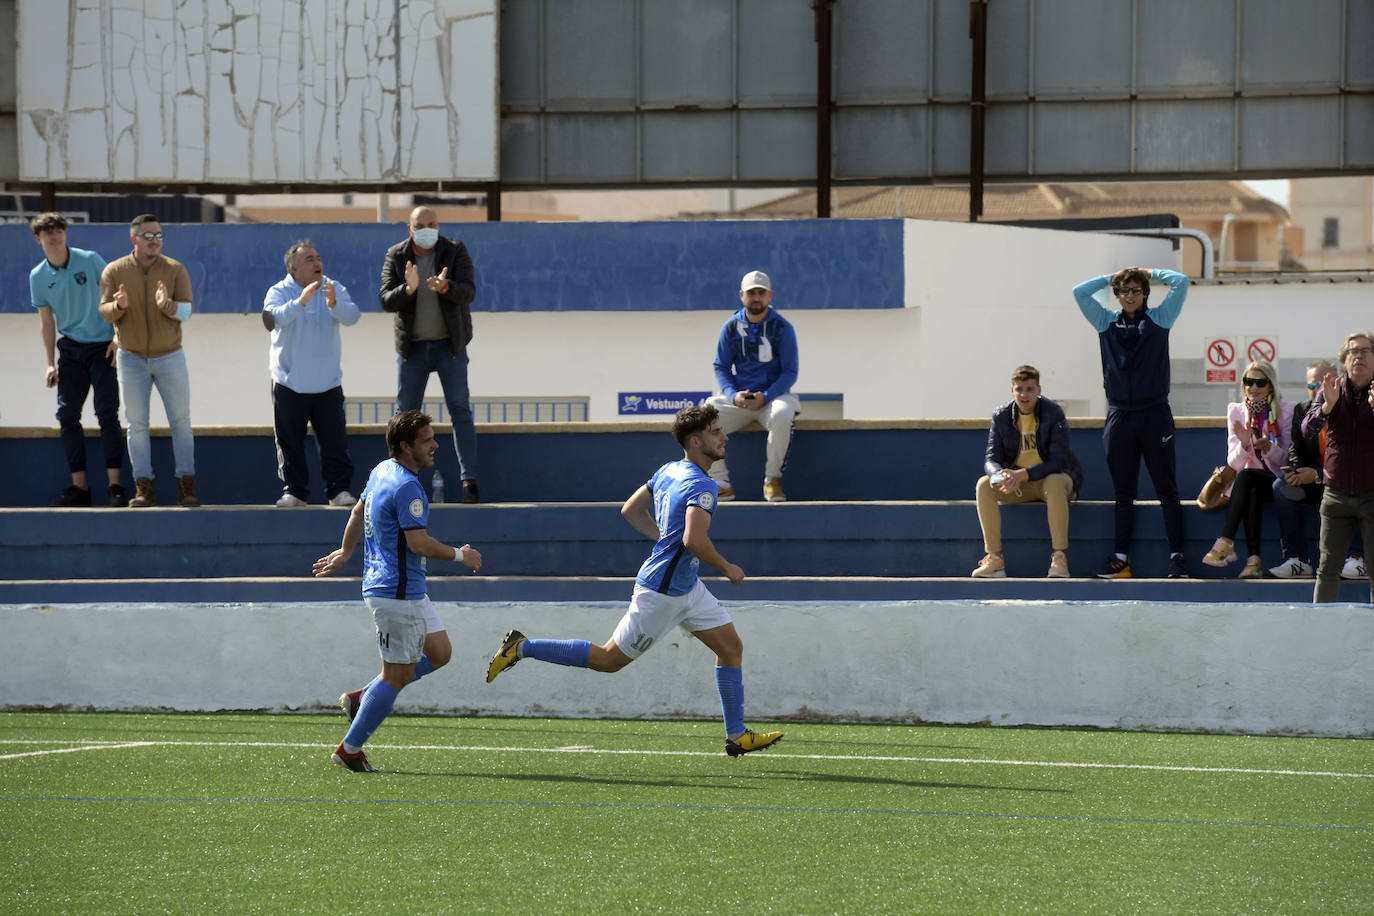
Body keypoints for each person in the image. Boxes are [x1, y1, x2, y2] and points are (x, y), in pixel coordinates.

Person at [483, 404, 783, 758]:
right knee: (608, 660)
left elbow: (630, 510)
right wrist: (727, 566)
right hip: (662, 593)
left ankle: (737, 736)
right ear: (696, 440)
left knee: (730, 648)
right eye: (717, 432)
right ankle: (521, 646)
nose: (725, 437)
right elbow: (694, 540)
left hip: (687, 587)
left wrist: (663, 540)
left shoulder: (670, 470)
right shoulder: (703, 485)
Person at [313, 410, 482, 772]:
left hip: (406, 590)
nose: (435, 445)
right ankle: (349, 750)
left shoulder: (380, 471)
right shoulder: (407, 486)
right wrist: (460, 555)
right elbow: (418, 543)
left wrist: (345, 551)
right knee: (397, 676)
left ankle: (362, 698)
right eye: (427, 440)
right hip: (396, 593)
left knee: (440, 652)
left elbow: (358, 512)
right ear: (406, 447)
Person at [1072, 265, 1190, 579]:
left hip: (1154, 413)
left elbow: (1181, 282)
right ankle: (1121, 559)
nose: (1129, 296)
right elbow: (1079, 293)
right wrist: (1109, 278)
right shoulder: (1105, 321)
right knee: (1123, 491)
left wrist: (1150, 272)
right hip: (1120, 415)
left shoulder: (1160, 319)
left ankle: (1177, 557)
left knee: (1167, 488)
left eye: (1136, 290)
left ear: (1145, 293)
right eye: (1123, 290)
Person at [379, 206, 480, 503]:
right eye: (420, 225)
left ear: (439, 225)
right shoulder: (396, 255)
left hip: (450, 346)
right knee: (404, 415)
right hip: (414, 349)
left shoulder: (454, 250)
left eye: (432, 223)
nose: (427, 228)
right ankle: (398, 480)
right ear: (410, 229)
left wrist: (446, 287)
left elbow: (469, 291)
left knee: (460, 409)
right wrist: (408, 290)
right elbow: (385, 298)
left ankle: (469, 481)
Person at [98, 215, 198, 508]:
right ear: (134, 239)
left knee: (181, 423)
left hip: (171, 356)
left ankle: (186, 488)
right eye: (148, 236)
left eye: (159, 236)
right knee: (136, 425)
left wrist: (166, 305)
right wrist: (119, 305)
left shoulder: (175, 269)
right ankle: (144, 489)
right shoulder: (114, 270)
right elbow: (104, 311)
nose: (155, 241)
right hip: (131, 357)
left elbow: (187, 311)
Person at [28, 212, 126, 507]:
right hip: (70, 350)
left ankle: (115, 487)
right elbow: (46, 323)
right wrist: (49, 363)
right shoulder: (37, 276)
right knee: (67, 415)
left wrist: (117, 339)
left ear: (65, 234)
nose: (55, 237)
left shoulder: (91, 259)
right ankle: (79, 489)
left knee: (107, 414)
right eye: (49, 233)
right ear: (39, 239)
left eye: (59, 230)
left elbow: (118, 299)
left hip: (103, 348)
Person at [263, 240, 362, 507]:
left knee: (335, 443)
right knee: (289, 442)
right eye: (309, 259)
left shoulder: (333, 287)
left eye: (318, 257)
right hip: (289, 382)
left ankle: (338, 491)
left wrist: (333, 304)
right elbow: (271, 319)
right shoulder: (279, 291)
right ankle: (295, 492)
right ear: (293, 268)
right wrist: (301, 301)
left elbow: (352, 316)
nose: (317, 263)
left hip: (328, 383)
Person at [971, 365, 1084, 579]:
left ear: (1039, 390)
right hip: (1017, 482)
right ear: (1012, 390)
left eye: (1030, 389)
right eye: (1020, 389)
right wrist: (1002, 473)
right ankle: (994, 559)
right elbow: (990, 459)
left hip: (1054, 481)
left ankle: (1059, 558)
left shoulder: (1053, 413)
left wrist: (1021, 474)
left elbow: (1057, 462)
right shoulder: (1001, 416)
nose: (1024, 395)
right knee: (984, 485)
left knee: (1054, 481)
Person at [706, 270, 800, 502]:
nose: (756, 297)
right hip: (739, 400)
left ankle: (772, 480)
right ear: (741, 295)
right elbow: (721, 367)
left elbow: (790, 372)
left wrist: (766, 396)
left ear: (769, 296)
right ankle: (721, 482)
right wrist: (733, 395)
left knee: (782, 413)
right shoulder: (729, 328)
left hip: (773, 398)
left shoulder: (782, 328)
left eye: (761, 292)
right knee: (705, 414)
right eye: (751, 293)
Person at [1268, 360, 1365, 579]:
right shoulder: (1302, 411)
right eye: (1311, 386)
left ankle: (1357, 559)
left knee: (1361, 486)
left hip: (1344, 483)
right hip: (1313, 485)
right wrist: (1293, 471)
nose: (1316, 391)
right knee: (1281, 488)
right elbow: (1295, 449)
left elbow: (1355, 461)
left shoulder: (1350, 410)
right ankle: (1298, 560)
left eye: (1321, 384)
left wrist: (1318, 475)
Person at [1201, 360, 1292, 578]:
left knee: (1248, 477)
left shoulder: (1287, 411)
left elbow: (1289, 459)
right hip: (1250, 484)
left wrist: (1269, 448)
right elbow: (1233, 464)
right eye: (1248, 382)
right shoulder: (1236, 411)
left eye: (1259, 383)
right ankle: (1253, 561)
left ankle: (1226, 540)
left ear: (1270, 385)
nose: (1253, 388)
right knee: (1248, 482)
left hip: (1278, 481)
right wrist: (1245, 445)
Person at [1302, 331, 1374, 604]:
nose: (1359, 356)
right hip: (1336, 495)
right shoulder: (1329, 389)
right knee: (1327, 569)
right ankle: (1321, 634)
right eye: (1353, 351)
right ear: (1344, 361)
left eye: (1366, 351)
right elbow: (1307, 430)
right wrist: (1326, 408)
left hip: (1372, 494)